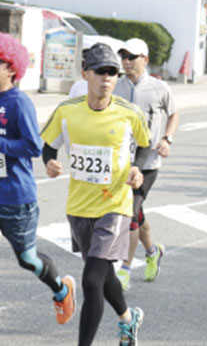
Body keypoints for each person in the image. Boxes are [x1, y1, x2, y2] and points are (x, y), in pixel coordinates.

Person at [41, 43, 150, 346]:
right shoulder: (67, 111)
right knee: (104, 277)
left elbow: (145, 144)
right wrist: (49, 161)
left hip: (114, 205)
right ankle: (129, 318)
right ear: (85, 74)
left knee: (91, 280)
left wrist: (137, 168)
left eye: (112, 72)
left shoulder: (129, 113)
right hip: (79, 207)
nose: (106, 78)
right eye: (100, 71)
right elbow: (48, 144)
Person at [0, 32, 76, 325]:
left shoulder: (19, 103)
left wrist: (2, 144)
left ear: (11, 68)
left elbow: (33, 146)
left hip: (16, 198)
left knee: (27, 260)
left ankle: (61, 291)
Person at [113, 38, 178, 291]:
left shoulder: (159, 87)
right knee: (137, 214)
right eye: (124, 56)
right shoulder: (115, 86)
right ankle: (152, 251)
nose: (126, 61)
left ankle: (125, 269)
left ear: (145, 60)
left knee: (131, 211)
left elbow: (174, 113)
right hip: (120, 161)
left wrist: (167, 139)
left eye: (132, 56)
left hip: (148, 162)